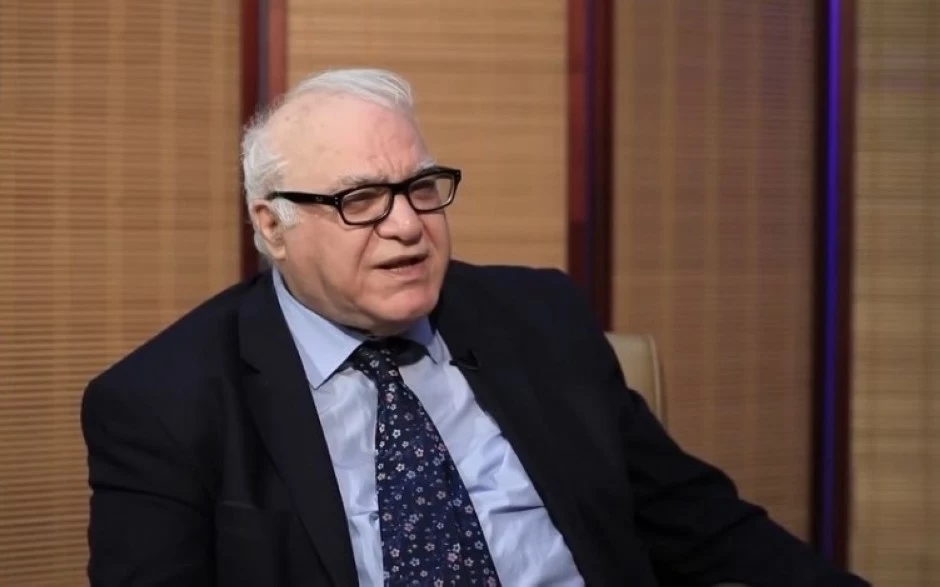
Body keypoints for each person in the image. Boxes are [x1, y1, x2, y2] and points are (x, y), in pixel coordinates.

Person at [81, 68, 869, 587]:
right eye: (361, 199)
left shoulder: (542, 320)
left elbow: (703, 526)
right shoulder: (164, 403)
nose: (406, 226)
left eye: (421, 186)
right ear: (272, 225)